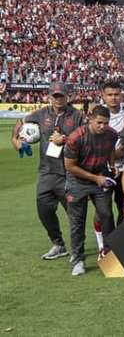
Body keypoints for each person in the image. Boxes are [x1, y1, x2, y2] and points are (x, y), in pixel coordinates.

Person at [11, 81, 85, 260]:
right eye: (55, 96)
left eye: (61, 95)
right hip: (46, 171)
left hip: (70, 171)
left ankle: (78, 248)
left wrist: (66, 139)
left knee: (74, 214)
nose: (58, 99)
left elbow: (86, 138)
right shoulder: (40, 113)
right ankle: (58, 244)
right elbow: (20, 122)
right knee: (44, 210)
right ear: (49, 96)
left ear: (68, 96)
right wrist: (16, 140)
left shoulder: (78, 116)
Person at [63, 106, 118, 276]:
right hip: (78, 180)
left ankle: (109, 254)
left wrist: (112, 164)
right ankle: (78, 259)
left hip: (100, 176)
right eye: (99, 123)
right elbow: (70, 166)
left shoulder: (112, 134)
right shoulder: (75, 137)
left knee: (107, 215)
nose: (102, 126)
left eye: (106, 123)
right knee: (77, 221)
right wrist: (95, 179)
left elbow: (111, 150)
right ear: (90, 119)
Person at [92, 81, 124, 252]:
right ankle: (103, 246)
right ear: (103, 95)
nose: (113, 98)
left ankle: (119, 242)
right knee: (102, 211)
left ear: (121, 95)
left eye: (116, 94)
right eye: (109, 94)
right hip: (103, 171)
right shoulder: (96, 115)